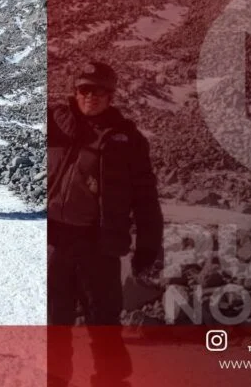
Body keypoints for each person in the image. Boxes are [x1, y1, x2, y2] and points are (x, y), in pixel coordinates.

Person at [47, 61, 164, 387]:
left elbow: (145, 198)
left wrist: (148, 246)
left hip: (99, 246)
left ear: (110, 95)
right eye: (84, 89)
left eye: (99, 91)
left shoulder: (127, 139)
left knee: (103, 326)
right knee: (55, 324)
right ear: (75, 91)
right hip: (56, 241)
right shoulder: (55, 122)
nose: (90, 96)